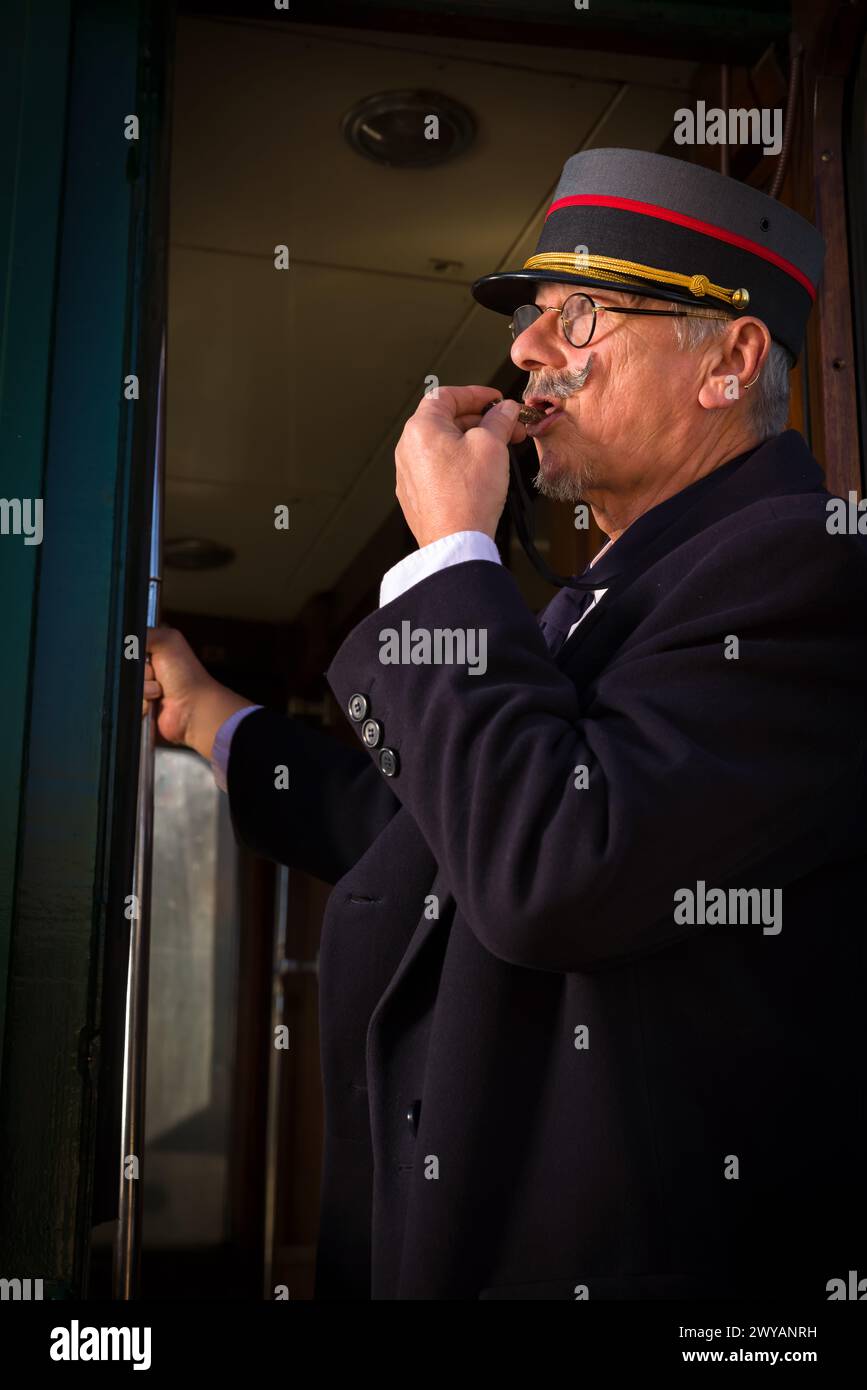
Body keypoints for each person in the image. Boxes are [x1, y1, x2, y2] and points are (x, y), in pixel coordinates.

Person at [144, 149, 867, 1301]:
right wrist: (213, 719)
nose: (529, 349)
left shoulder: (808, 569)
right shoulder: (611, 597)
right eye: (534, 317)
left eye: (581, 312)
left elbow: (553, 867)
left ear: (729, 361)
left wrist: (447, 557)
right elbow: (424, 831)